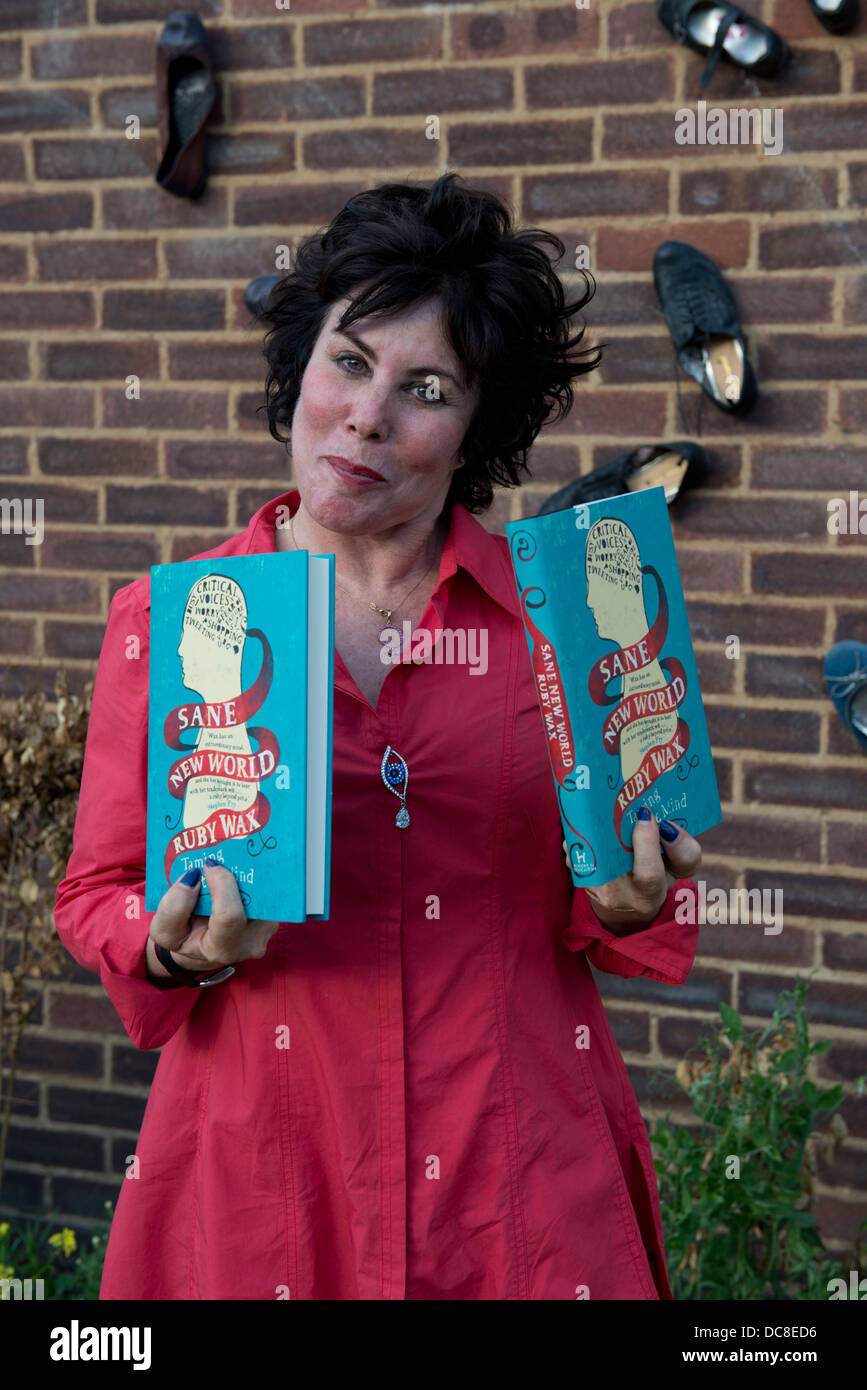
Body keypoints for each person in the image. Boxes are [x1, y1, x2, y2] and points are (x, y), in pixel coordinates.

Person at [54, 171, 701, 1301]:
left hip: (517, 1184)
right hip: (266, 1178)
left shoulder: (564, 627)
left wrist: (626, 899)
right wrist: (167, 947)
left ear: (476, 430)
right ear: (301, 365)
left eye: (427, 388)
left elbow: (615, 886)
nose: (367, 415)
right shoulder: (170, 623)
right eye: (349, 362)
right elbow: (98, 889)